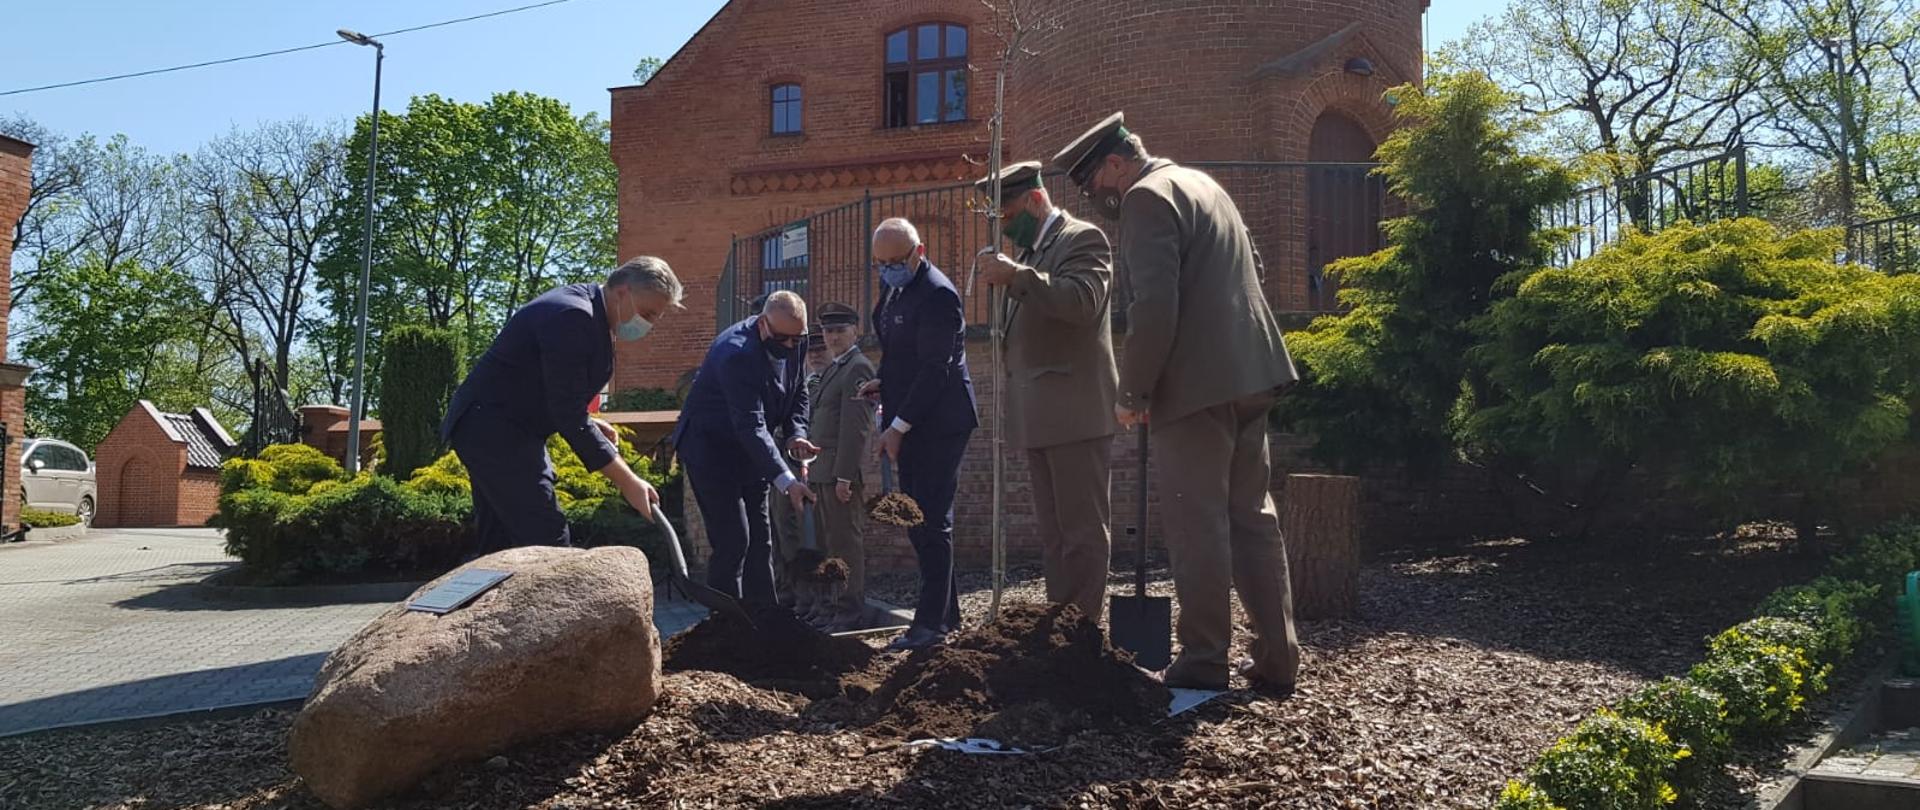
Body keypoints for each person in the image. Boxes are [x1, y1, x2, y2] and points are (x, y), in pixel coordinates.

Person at [1052, 112, 1301, 693]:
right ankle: (1278, 658)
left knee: (1199, 524)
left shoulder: (1146, 196)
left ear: (1117, 163)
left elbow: (1154, 307)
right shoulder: (1205, 185)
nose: (1099, 199)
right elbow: (1255, 271)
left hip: (1195, 388)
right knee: (1253, 520)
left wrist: (1134, 391)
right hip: (1253, 372)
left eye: (1095, 185)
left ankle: (1205, 659)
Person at [441, 257, 682, 553]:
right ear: (622, 290)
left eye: (655, 318)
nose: (647, 324)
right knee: (547, 540)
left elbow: (547, 389)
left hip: (491, 426)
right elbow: (567, 412)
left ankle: (487, 596)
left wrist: (590, 421)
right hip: (495, 430)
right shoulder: (574, 316)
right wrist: (629, 483)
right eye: (646, 313)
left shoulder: (587, 311)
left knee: (501, 541)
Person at [974, 161, 1118, 622]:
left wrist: (1016, 277)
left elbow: (1081, 303)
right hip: (1039, 416)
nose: (1005, 225)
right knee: (1055, 536)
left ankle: (1083, 631)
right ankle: (1061, 627)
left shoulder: (1082, 240)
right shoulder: (1034, 253)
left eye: (1009, 211)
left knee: (1081, 533)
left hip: (1075, 413)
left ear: (1036, 200)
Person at [858, 218, 978, 650]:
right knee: (917, 517)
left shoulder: (938, 294)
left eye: (895, 261)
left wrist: (897, 427)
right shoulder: (895, 289)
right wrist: (883, 385)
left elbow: (934, 368)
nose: (888, 269)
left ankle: (929, 626)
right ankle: (946, 613)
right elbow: (900, 355)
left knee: (928, 517)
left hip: (941, 421)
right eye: (881, 263)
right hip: (911, 413)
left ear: (919, 251)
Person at [672, 290, 819, 604]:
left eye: (798, 339)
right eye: (784, 340)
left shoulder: (794, 337)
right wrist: (787, 482)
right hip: (711, 451)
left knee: (761, 541)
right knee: (733, 540)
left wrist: (795, 433)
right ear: (763, 324)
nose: (792, 347)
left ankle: (764, 620)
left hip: (752, 453)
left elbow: (797, 392)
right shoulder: (736, 353)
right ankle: (726, 626)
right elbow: (750, 425)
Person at [807, 302, 877, 631]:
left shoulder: (858, 368)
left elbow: (856, 427)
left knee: (845, 545)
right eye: (828, 331)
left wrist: (845, 476)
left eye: (840, 330)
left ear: (855, 331)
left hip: (839, 473)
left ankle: (849, 611)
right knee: (828, 545)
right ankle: (830, 609)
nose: (833, 337)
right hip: (822, 471)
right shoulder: (836, 369)